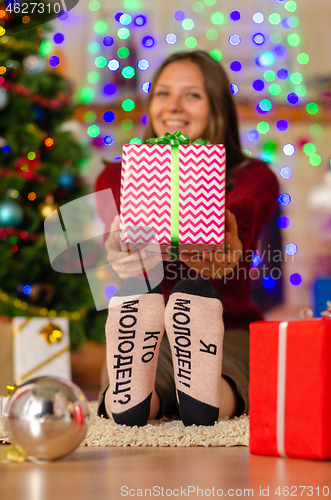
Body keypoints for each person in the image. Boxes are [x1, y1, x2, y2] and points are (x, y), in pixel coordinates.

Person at [95, 50, 279, 427]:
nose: (174, 106)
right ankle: (152, 396)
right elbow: (118, 238)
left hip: (227, 324)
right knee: (216, 375)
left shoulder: (253, 175)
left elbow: (244, 208)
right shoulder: (117, 177)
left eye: (192, 94)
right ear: (151, 104)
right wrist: (120, 251)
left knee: (223, 366)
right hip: (150, 326)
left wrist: (229, 235)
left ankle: (157, 397)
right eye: (163, 93)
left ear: (218, 110)